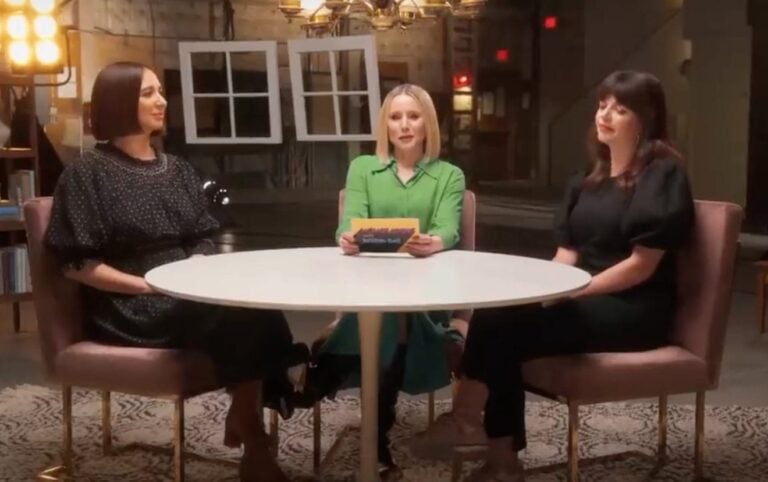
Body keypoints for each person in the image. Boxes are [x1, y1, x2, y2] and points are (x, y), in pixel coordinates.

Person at [410, 70, 695, 481]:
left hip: (634, 307)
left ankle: (478, 429)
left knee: (502, 330)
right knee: (500, 314)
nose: (605, 115)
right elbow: (568, 253)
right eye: (602, 105)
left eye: (621, 108)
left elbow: (642, 265)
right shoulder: (587, 181)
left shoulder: (662, 176)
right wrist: (536, 290)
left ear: (646, 119)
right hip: (583, 298)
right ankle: (496, 452)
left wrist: (574, 292)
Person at [44, 62, 307, 482]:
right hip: (129, 304)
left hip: (187, 292)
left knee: (255, 309)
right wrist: (147, 286)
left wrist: (197, 267)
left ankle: (244, 419)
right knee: (241, 316)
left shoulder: (178, 169)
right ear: (119, 101)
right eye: (148, 93)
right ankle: (255, 442)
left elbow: (202, 235)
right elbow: (78, 265)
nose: (161, 101)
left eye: (160, 91)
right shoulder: (85, 174)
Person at [300, 83, 468, 474]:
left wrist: (436, 241)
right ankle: (375, 441)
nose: (405, 125)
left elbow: (449, 229)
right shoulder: (363, 168)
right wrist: (344, 237)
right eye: (396, 117)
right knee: (386, 312)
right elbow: (348, 224)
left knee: (393, 314)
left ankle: (320, 377)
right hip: (369, 290)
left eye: (414, 116)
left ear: (428, 124)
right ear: (384, 126)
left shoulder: (449, 175)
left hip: (427, 296)